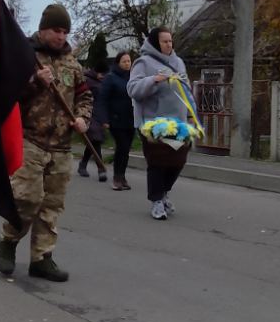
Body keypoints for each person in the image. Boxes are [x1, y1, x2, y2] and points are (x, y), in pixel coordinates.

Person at [0, 4, 93, 282]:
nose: (61, 36)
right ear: (43, 29)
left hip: (61, 145)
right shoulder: (26, 57)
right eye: (56, 30)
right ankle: (8, 241)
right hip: (30, 139)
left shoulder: (73, 64)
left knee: (51, 205)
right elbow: (7, 94)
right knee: (26, 198)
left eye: (65, 32)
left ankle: (42, 258)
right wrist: (34, 81)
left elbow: (85, 96)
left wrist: (83, 118)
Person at [128, 27, 198, 220]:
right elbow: (133, 89)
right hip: (153, 123)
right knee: (158, 162)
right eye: (164, 41)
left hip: (178, 123)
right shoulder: (143, 62)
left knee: (178, 161)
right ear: (154, 43)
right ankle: (157, 201)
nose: (169, 44)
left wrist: (191, 114)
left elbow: (186, 90)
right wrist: (155, 80)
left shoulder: (178, 62)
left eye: (170, 41)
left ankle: (164, 192)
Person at [99, 50, 136, 191]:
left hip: (131, 119)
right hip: (116, 119)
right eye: (124, 61)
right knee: (122, 147)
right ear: (118, 63)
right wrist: (104, 119)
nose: (127, 64)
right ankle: (117, 177)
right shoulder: (111, 78)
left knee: (126, 150)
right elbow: (102, 99)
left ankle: (122, 177)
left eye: (129, 61)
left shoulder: (133, 78)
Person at [76, 61, 108, 181]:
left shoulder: (103, 82)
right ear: (96, 72)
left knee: (94, 141)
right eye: (101, 74)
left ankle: (83, 164)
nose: (103, 76)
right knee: (95, 140)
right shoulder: (87, 81)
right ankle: (101, 169)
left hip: (100, 115)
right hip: (89, 114)